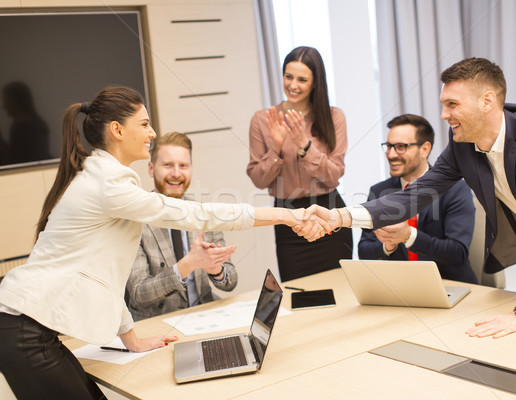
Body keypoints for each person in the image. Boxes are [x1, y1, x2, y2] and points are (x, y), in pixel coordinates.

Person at [0, 86, 326, 399]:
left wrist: (132, 340)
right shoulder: (109, 186)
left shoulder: (105, 180)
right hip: (25, 330)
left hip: (27, 328)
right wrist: (285, 216)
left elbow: (108, 278)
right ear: (117, 130)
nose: (152, 132)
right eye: (144, 124)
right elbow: (194, 214)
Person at [304, 57, 516, 338]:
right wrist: (339, 217)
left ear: (487, 101)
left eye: (452, 104)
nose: (444, 115)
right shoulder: (463, 144)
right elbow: (413, 197)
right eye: (443, 104)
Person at [246, 46, 352, 282]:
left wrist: (304, 145)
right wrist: (276, 147)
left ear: (315, 82)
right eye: (288, 77)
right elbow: (258, 179)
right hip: (288, 217)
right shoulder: (263, 120)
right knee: (298, 294)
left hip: (329, 214)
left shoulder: (334, 117)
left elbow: (334, 175)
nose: (293, 85)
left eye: (302, 79)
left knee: (340, 292)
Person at [127, 132, 239, 320]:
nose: (176, 174)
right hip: (157, 323)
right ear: (151, 168)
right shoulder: (133, 220)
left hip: (203, 317)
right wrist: (186, 266)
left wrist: (216, 270)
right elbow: (139, 294)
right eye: (167, 165)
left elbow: (231, 282)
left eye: (183, 166)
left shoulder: (204, 214)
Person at [358, 114, 477, 284]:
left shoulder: (455, 189)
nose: (391, 154)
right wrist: (388, 245)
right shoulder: (380, 191)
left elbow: (456, 253)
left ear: (425, 149)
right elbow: (364, 250)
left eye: (400, 147)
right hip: (399, 289)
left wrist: (409, 236)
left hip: (449, 285)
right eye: (389, 146)